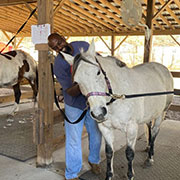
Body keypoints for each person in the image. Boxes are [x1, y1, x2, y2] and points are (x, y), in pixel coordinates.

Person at [48, 33, 102, 180]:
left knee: (96, 133)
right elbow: (70, 91)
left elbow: (98, 63)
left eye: (59, 42)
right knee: (73, 139)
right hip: (74, 105)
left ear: (63, 38)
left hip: (91, 101)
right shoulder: (59, 64)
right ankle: (71, 173)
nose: (59, 47)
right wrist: (83, 81)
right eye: (55, 47)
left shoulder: (82, 46)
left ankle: (94, 160)